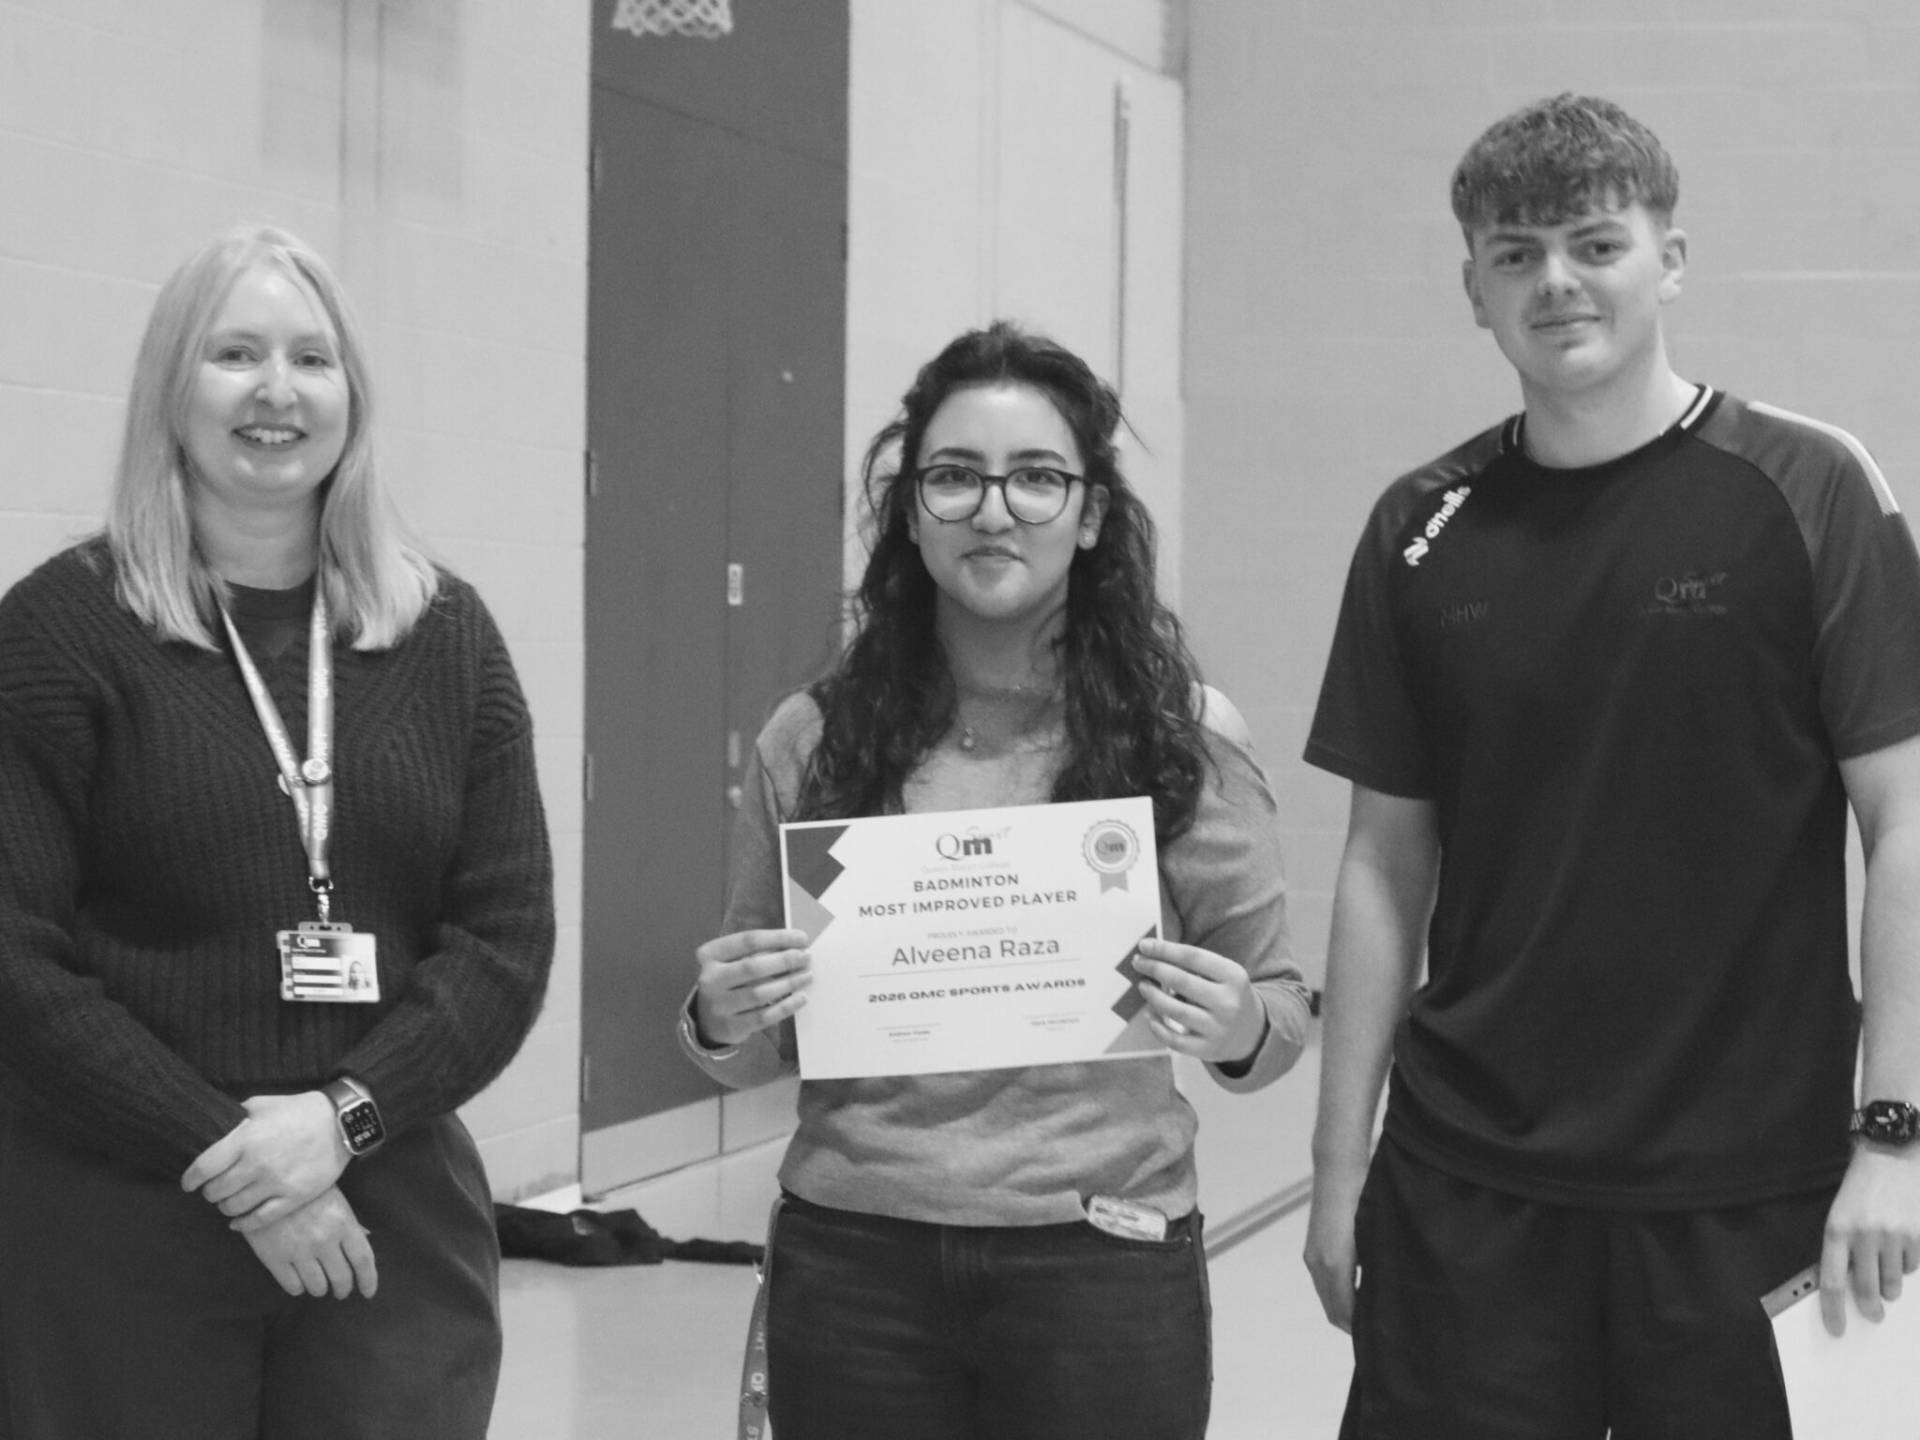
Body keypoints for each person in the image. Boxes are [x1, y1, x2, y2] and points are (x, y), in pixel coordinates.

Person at [1301, 93, 1920, 1439]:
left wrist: (1895, 1136)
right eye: (1516, 253)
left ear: (1670, 260)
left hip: (1751, 1193)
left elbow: (1907, 823)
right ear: (1473, 287)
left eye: (1596, 242)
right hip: (1467, 1185)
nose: (1557, 282)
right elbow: (1381, 860)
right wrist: (1337, 1163)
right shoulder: (1418, 524)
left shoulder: (1811, 491)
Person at [680, 321, 1313, 1440]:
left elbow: (1278, 1015)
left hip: (1100, 1258)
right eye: (956, 476)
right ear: (911, 508)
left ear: (1092, 513)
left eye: (1036, 479)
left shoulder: (1183, 740)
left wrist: (1234, 1024)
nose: (994, 508)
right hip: (855, 1254)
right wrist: (719, 1017)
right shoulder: (810, 740)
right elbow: (750, 1039)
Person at [0, 225, 555, 1439]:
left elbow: (503, 942)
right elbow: (16, 960)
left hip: (389, 1204)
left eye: (312, 357)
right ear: (169, 391)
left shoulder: (445, 637)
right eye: (234, 353)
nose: (275, 390)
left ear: (352, 394)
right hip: (119, 1199)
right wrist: (237, 1160)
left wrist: (341, 1120)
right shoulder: (56, 635)